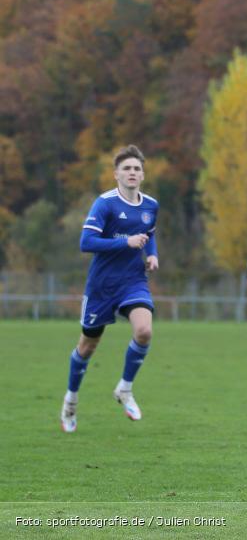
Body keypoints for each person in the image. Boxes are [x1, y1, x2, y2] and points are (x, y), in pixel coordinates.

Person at [60, 145, 159, 433]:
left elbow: (149, 234)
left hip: (133, 281)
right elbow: (86, 243)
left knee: (144, 331)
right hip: (102, 285)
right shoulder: (104, 204)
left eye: (137, 168)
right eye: (126, 168)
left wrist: (151, 253)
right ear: (116, 174)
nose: (132, 172)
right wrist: (124, 243)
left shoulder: (150, 205)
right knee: (87, 346)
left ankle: (125, 389)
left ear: (142, 175)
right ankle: (71, 401)